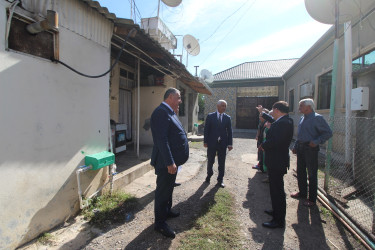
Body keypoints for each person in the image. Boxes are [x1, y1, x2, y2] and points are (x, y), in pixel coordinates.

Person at [150, 88, 189, 238]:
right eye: (178, 98)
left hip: (172, 162)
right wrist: (170, 162)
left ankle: (167, 211)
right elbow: (162, 140)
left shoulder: (170, 111)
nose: (180, 101)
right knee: (162, 192)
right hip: (166, 162)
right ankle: (159, 223)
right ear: (170, 97)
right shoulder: (161, 112)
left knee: (169, 188)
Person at [291, 98, 332, 207]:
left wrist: (316, 141)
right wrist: (295, 146)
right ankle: (302, 193)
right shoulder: (302, 118)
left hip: (310, 149)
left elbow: (328, 133)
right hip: (301, 148)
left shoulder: (317, 118)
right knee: (300, 171)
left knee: (312, 174)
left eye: (301, 106)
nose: (299, 108)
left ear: (308, 107)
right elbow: (300, 135)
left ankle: (312, 199)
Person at [258, 101, 293, 228]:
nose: (272, 114)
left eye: (272, 111)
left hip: (277, 162)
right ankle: (276, 211)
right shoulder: (283, 121)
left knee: (277, 191)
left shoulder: (284, 123)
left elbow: (275, 141)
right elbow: (272, 120)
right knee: (274, 190)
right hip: (276, 161)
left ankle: (278, 220)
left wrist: (263, 145)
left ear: (277, 110)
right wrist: (262, 112)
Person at [204, 100, 233, 188]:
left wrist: (230, 144)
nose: (224, 108)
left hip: (222, 144)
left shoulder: (227, 118)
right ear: (217, 106)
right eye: (222, 106)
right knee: (210, 161)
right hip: (212, 143)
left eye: (225, 106)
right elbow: (206, 130)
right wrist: (205, 141)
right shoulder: (210, 116)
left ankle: (220, 179)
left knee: (222, 162)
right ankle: (209, 174)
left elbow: (230, 131)